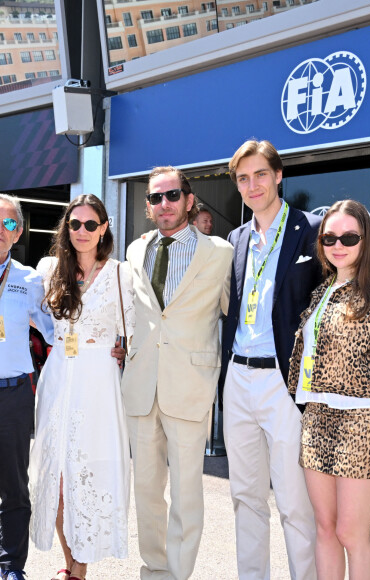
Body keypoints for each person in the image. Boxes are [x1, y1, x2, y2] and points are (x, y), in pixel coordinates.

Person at [122, 166, 233, 580]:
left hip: (189, 386)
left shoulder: (220, 253)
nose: (163, 204)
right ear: (149, 206)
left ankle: (178, 575)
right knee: (147, 492)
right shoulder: (135, 251)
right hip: (141, 386)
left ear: (189, 199)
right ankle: (154, 570)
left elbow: (237, 314)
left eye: (172, 195)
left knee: (187, 495)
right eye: (155, 198)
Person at [287, 199, 370, 579]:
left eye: (349, 237)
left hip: (362, 421)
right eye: (329, 238)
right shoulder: (323, 290)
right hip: (316, 418)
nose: (338, 245)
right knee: (324, 528)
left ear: (365, 240)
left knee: (350, 532)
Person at [219, 140, 322, 579]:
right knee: (245, 497)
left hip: (285, 382)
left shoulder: (312, 230)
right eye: (243, 178)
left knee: (296, 501)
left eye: (260, 174)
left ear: (278, 175)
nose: (252, 185)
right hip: (239, 377)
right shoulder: (236, 239)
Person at [29, 194, 134, 580]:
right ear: (66, 228)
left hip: (97, 383)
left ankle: (79, 569)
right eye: (75, 224)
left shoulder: (120, 273)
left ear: (104, 227)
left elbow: (135, 326)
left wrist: (121, 348)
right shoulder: (49, 268)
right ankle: (70, 561)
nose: (83, 232)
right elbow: (35, 315)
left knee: (86, 475)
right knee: (56, 477)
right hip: (58, 378)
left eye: (91, 224)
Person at [0, 194, 53, 580]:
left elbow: (55, 328)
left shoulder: (30, 279)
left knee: (14, 485)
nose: (2, 231)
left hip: (13, 395)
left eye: (10, 224)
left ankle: (11, 565)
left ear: (18, 233)